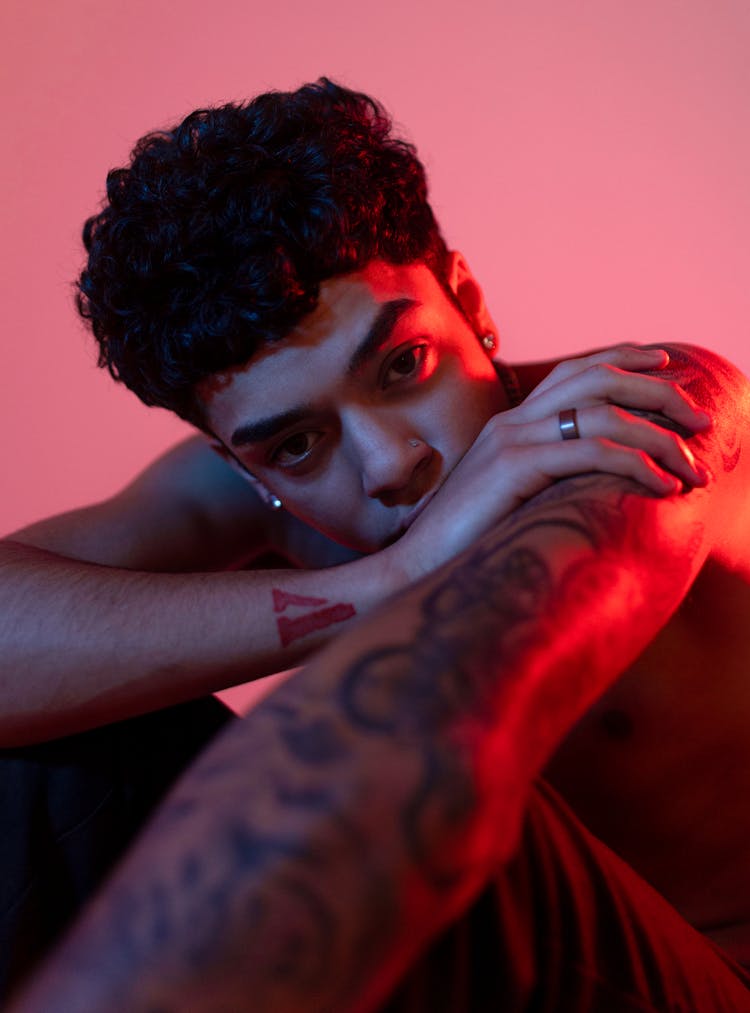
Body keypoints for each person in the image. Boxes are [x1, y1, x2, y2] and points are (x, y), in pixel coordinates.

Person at [2, 79, 749, 1009]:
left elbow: (466, 678)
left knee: (451, 778)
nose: (390, 461)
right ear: (242, 463)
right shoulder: (253, 496)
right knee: (50, 749)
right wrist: (392, 575)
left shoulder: (635, 411)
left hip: (715, 977)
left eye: (404, 365)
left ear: (468, 300)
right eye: (298, 443)